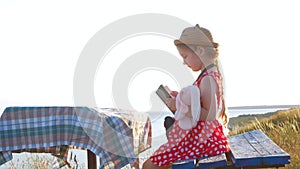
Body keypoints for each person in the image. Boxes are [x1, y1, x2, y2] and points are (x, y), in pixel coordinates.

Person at [142, 24, 231, 169]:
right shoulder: (208, 75)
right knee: (151, 163)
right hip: (201, 141)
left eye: (185, 56)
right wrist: (180, 99)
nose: (184, 62)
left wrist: (179, 106)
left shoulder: (208, 79)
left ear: (200, 51)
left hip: (202, 143)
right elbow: (199, 105)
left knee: (149, 166)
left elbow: (210, 115)